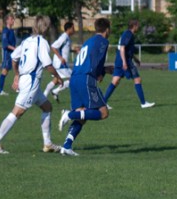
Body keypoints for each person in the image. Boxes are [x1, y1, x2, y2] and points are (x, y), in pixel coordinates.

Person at [0, 16, 63, 154]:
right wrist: (57, 77)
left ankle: (48, 144)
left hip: (29, 81)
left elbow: (14, 57)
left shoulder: (27, 40)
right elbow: (48, 65)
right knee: (18, 111)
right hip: (31, 81)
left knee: (47, 107)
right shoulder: (42, 42)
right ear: (45, 27)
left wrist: (17, 75)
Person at [57, 18, 114, 156]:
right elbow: (96, 60)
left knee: (82, 116)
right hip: (86, 78)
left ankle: (66, 146)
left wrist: (104, 70)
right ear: (107, 29)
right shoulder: (103, 41)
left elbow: (86, 60)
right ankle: (69, 114)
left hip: (75, 78)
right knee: (103, 112)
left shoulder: (89, 41)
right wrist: (101, 73)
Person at [102, 19, 154, 109]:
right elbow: (122, 48)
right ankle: (143, 103)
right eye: (138, 25)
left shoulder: (127, 34)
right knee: (137, 79)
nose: (138, 27)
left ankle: (103, 103)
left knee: (115, 81)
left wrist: (135, 58)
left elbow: (127, 50)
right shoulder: (128, 34)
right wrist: (125, 62)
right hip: (125, 61)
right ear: (134, 26)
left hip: (120, 60)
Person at [43, 22, 77, 102]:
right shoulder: (64, 37)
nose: (74, 30)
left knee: (56, 80)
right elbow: (54, 47)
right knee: (74, 78)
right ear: (68, 29)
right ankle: (56, 91)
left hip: (62, 64)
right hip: (61, 64)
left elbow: (65, 49)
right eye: (73, 28)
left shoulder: (67, 38)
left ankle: (44, 96)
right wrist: (60, 58)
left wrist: (74, 50)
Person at [0, 14, 16, 96]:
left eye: (13, 19)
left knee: (18, 70)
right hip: (8, 54)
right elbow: (5, 44)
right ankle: (0, 91)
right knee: (5, 71)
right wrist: (15, 49)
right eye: (11, 19)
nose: (13, 21)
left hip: (14, 54)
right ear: (7, 21)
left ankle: (17, 87)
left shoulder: (12, 31)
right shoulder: (5, 31)